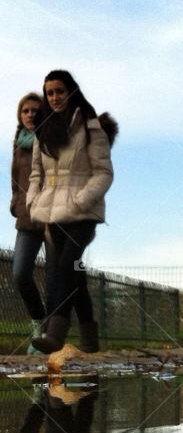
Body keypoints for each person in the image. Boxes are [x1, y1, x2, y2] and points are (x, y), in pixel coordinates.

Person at [28, 71, 116, 354]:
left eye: (60, 91)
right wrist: (33, 201)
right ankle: (90, 338)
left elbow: (104, 173)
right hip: (53, 213)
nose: (55, 97)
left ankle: (55, 334)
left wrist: (80, 201)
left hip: (83, 213)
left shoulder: (91, 128)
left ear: (72, 92)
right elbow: (35, 174)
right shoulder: (43, 130)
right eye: (50, 92)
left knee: (67, 265)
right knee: (75, 272)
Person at [10, 93, 47, 340]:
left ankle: (53, 334)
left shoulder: (53, 139)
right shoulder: (19, 145)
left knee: (59, 276)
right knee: (20, 273)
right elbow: (15, 180)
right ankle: (38, 323)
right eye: (26, 111)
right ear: (20, 116)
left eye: (35, 110)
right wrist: (15, 201)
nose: (31, 114)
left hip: (55, 217)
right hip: (27, 218)